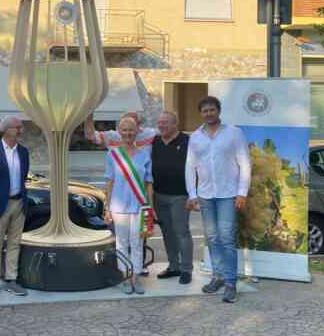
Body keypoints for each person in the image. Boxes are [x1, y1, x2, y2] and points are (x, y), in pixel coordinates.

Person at [185, 96, 251, 304]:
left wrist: (242, 192)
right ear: (201, 114)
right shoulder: (195, 137)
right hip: (205, 195)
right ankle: (218, 277)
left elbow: (245, 164)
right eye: (205, 111)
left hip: (228, 194)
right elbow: (190, 167)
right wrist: (192, 194)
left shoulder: (234, 133)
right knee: (212, 238)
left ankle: (230, 283)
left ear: (218, 111)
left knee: (227, 238)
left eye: (212, 110)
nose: (209, 113)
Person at [103, 117, 153, 295]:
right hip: (118, 205)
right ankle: (125, 277)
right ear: (119, 132)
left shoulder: (144, 155)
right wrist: (106, 208)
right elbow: (109, 183)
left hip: (140, 205)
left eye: (131, 130)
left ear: (136, 132)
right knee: (121, 243)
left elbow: (148, 183)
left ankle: (136, 277)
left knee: (137, 242)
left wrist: (150, 207)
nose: (127, 133)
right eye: (124, 130)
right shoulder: (112, 154)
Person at [0, 115, 30, 299]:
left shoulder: (23, 152)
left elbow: (24, 176)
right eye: (19, 127)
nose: (21, 130)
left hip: (19, 202)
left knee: (14, 243)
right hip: (0, 204)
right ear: (8, 129)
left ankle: (11, 280)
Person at [150, 111, 193, 284]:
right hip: (159, 195)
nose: (161, 126)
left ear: (176, 124)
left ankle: (187, 270)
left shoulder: (188, 141)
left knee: (181, 232)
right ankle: (174, 266)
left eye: (166, 123)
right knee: (167, 233)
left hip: (180, 196)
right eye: (160, 122)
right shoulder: (155, 142)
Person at [85, 111, 157, 151]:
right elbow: (90, 135)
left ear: (138, 125)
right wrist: (89, 113)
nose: (128, 133)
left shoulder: (149, 134)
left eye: (131, 128)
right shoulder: (112, 136)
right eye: (125, 128)